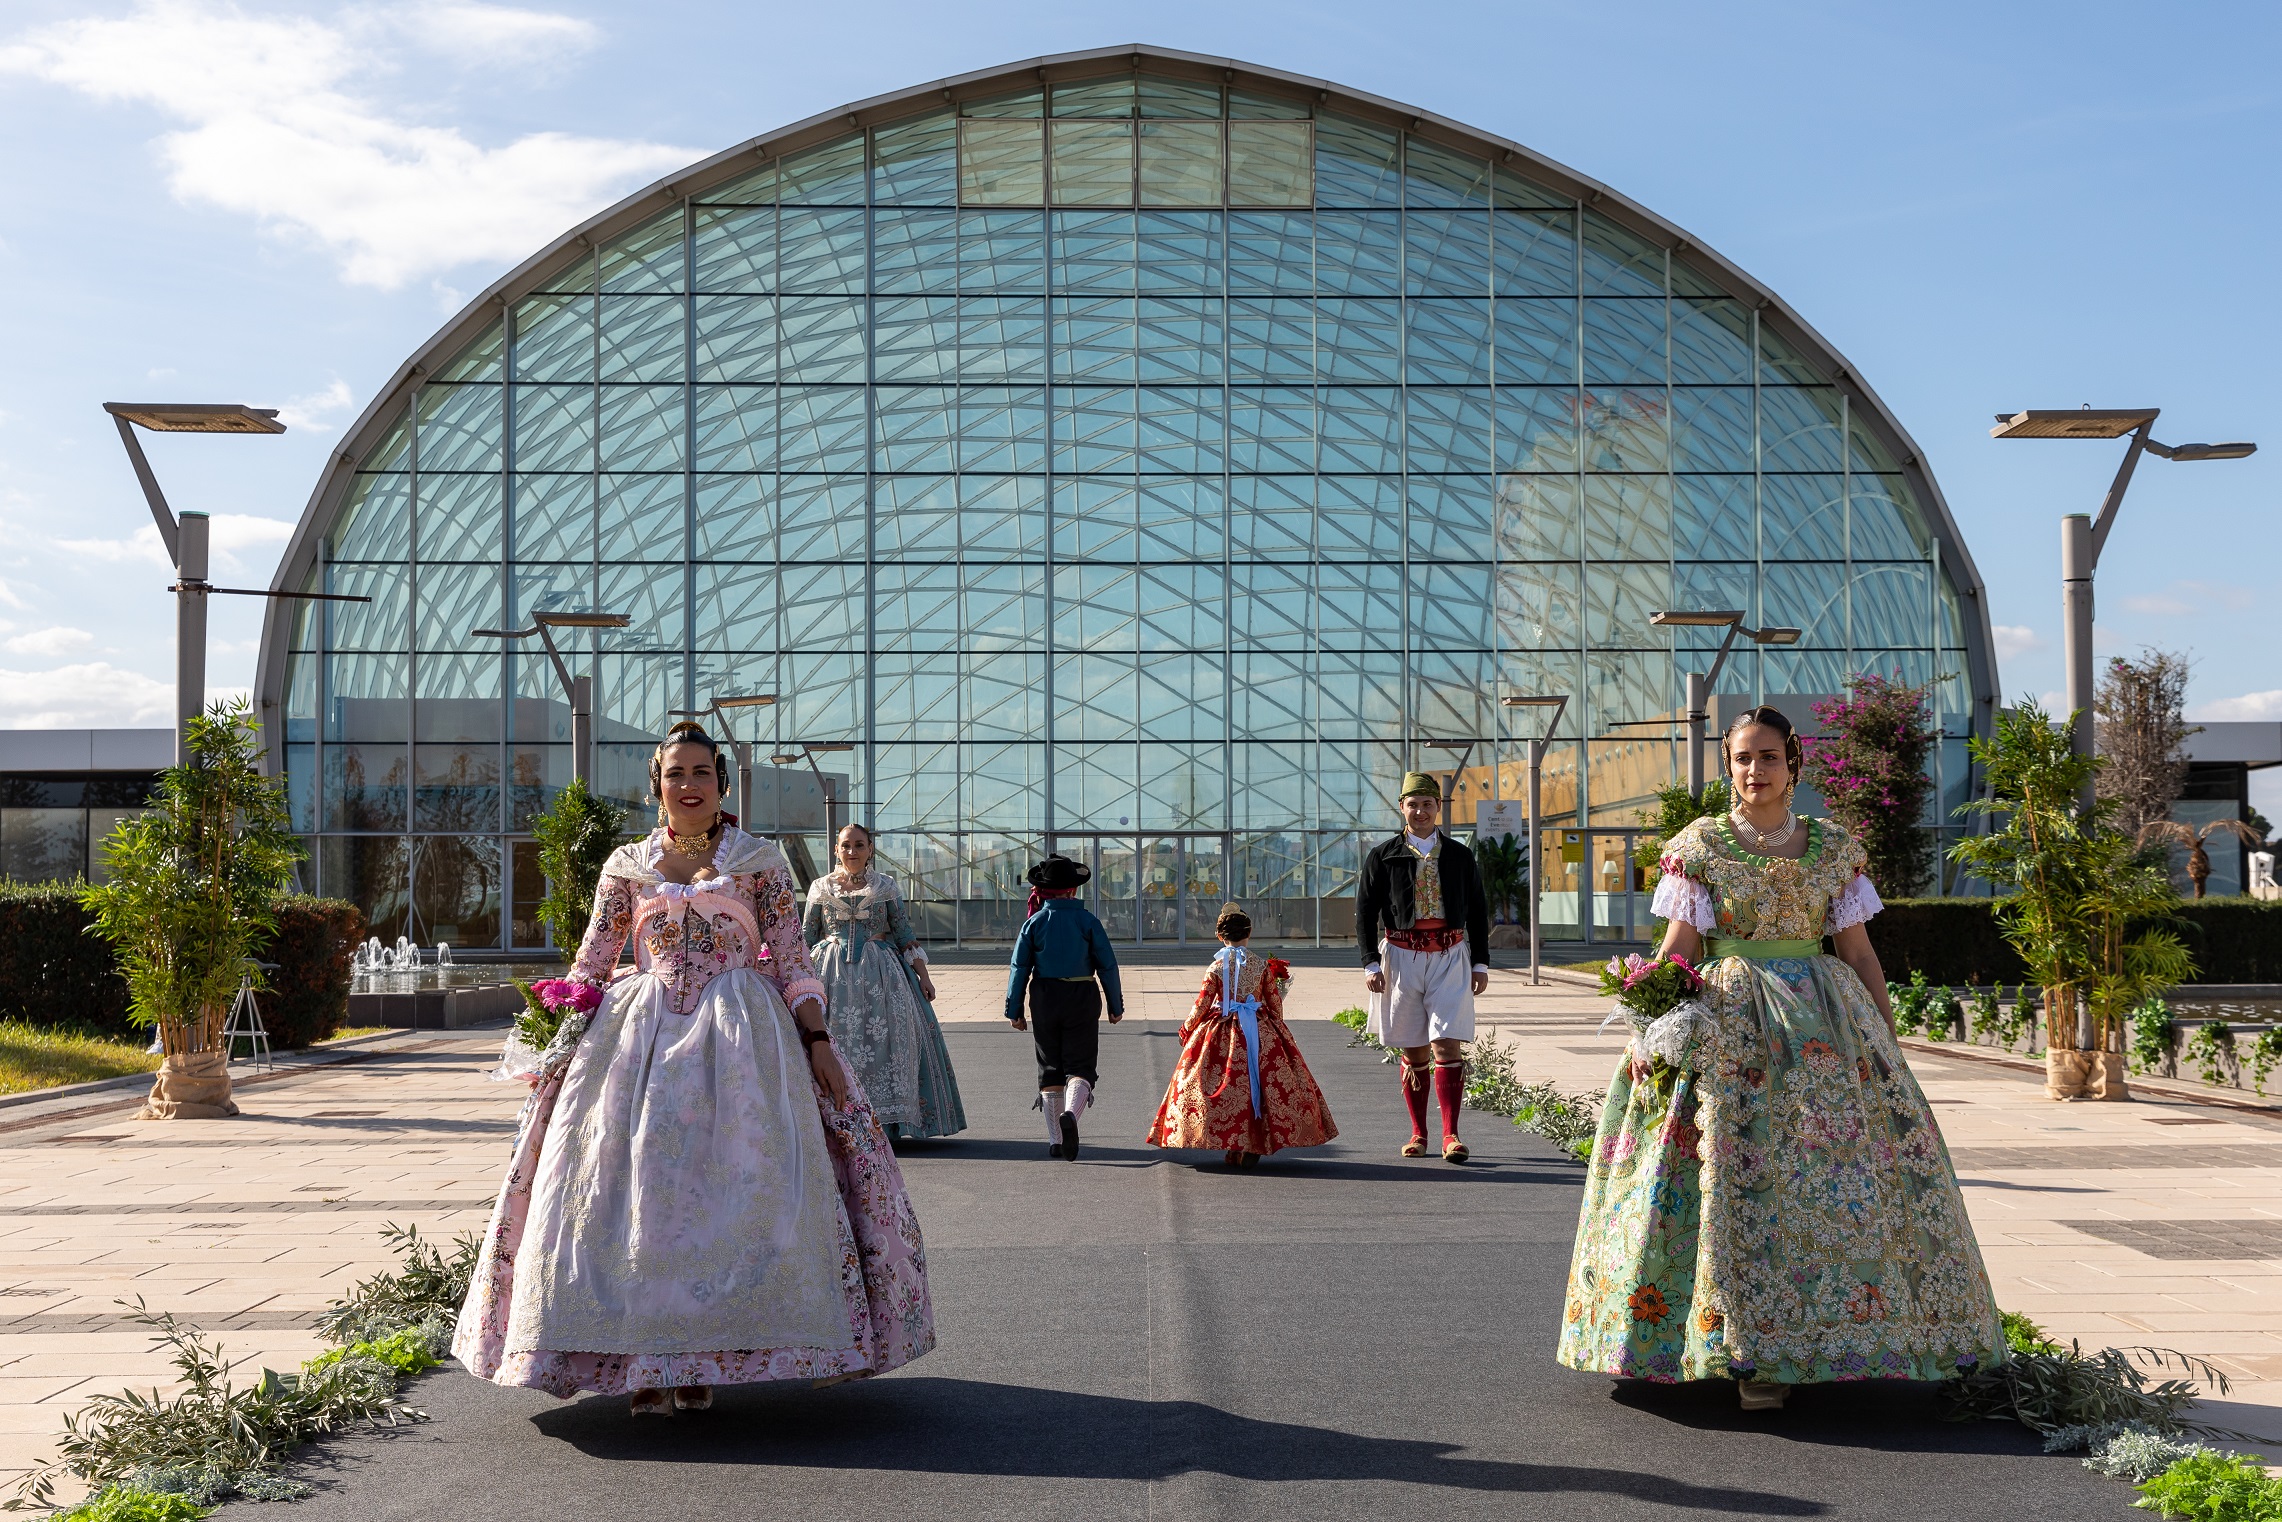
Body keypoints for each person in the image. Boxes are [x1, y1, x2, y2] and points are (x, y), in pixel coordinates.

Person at [454, 721, 933, 1415]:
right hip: (635, 1047)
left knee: (730, 1195)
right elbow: (591, 965)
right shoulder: (626, 864)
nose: (688, 785)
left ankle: (707, 1358)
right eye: (675, 773)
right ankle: (642, 1359)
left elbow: (794, 962)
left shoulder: (760, 861)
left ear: (723, 784)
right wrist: (554, 1043)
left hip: (744, 1045)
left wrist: (820, 1040)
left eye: (701, 773)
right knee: (637, 1199)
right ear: (657, 785)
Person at [1556, 705, 2003, 1410]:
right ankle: (1746, 1350)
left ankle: (1842, 1338)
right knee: (1737, 1179)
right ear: (1729, 767)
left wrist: (1886, 1039)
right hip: (1731, 1023)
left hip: (1827, 1026)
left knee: (1827, 1182)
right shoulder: (1702, 845)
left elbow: (1857, 952)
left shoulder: (1832, 846)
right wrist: (1646, 1030)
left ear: (1793, 763)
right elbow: (1680, 950)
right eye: (1741, 759)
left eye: (1767, 757)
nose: (1753, 771)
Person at [1356, 772, 1491, 1162]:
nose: (1420, 811)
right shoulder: (1383, 856)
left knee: (1447, 1043)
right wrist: (1369, 963)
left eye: (1427, 804)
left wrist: (1480, 962)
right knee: (1415, 1050)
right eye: (1412, 804)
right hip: (1400, 957)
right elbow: (1364, 913)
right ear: (1402, 807)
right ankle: (1419, 1134)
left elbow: (1478, 910)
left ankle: (1451, 1135)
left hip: (1450, 956)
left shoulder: (1460, 855)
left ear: (1438, 809)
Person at [804, 823, 967, 1142]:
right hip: (830, 973)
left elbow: (904, 932)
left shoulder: (886, 886)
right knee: (835, 1041)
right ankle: (837, 1120)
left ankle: (887, 1123)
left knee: (888, 1043)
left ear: (870, 850)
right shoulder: (820, 887)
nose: (852, 851)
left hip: (882, 976)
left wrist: (924, 975)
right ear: (836, 849)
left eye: (859, 845)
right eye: (846, 845)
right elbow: (807, 936)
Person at [1147, 903, 1337, 1167]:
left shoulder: (1215, 967)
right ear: (1249, 934)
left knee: (1222, 1087)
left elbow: (1202, 1003)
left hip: (1221, 1028)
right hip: (1258, 1030)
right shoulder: (1259, 965)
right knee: (1262, 1085)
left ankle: (1231, 1143)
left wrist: (1188, 1027)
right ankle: (1252, 1144)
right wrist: (1276, 1026)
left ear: (1219, 936)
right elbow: (1275, 1004)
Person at [1004, 852, 1124, 1161]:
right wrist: (1115, 1004)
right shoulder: (1088, 921)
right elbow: (1107, 965)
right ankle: (1071, 1113)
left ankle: (1056, 1140)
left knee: (1050, 1067)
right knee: (1080, 1065)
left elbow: (1019, 968)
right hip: (1082, 993)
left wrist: (1014, 1010)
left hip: (1044, 996)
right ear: (1073, 890)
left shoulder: (1034, 923)